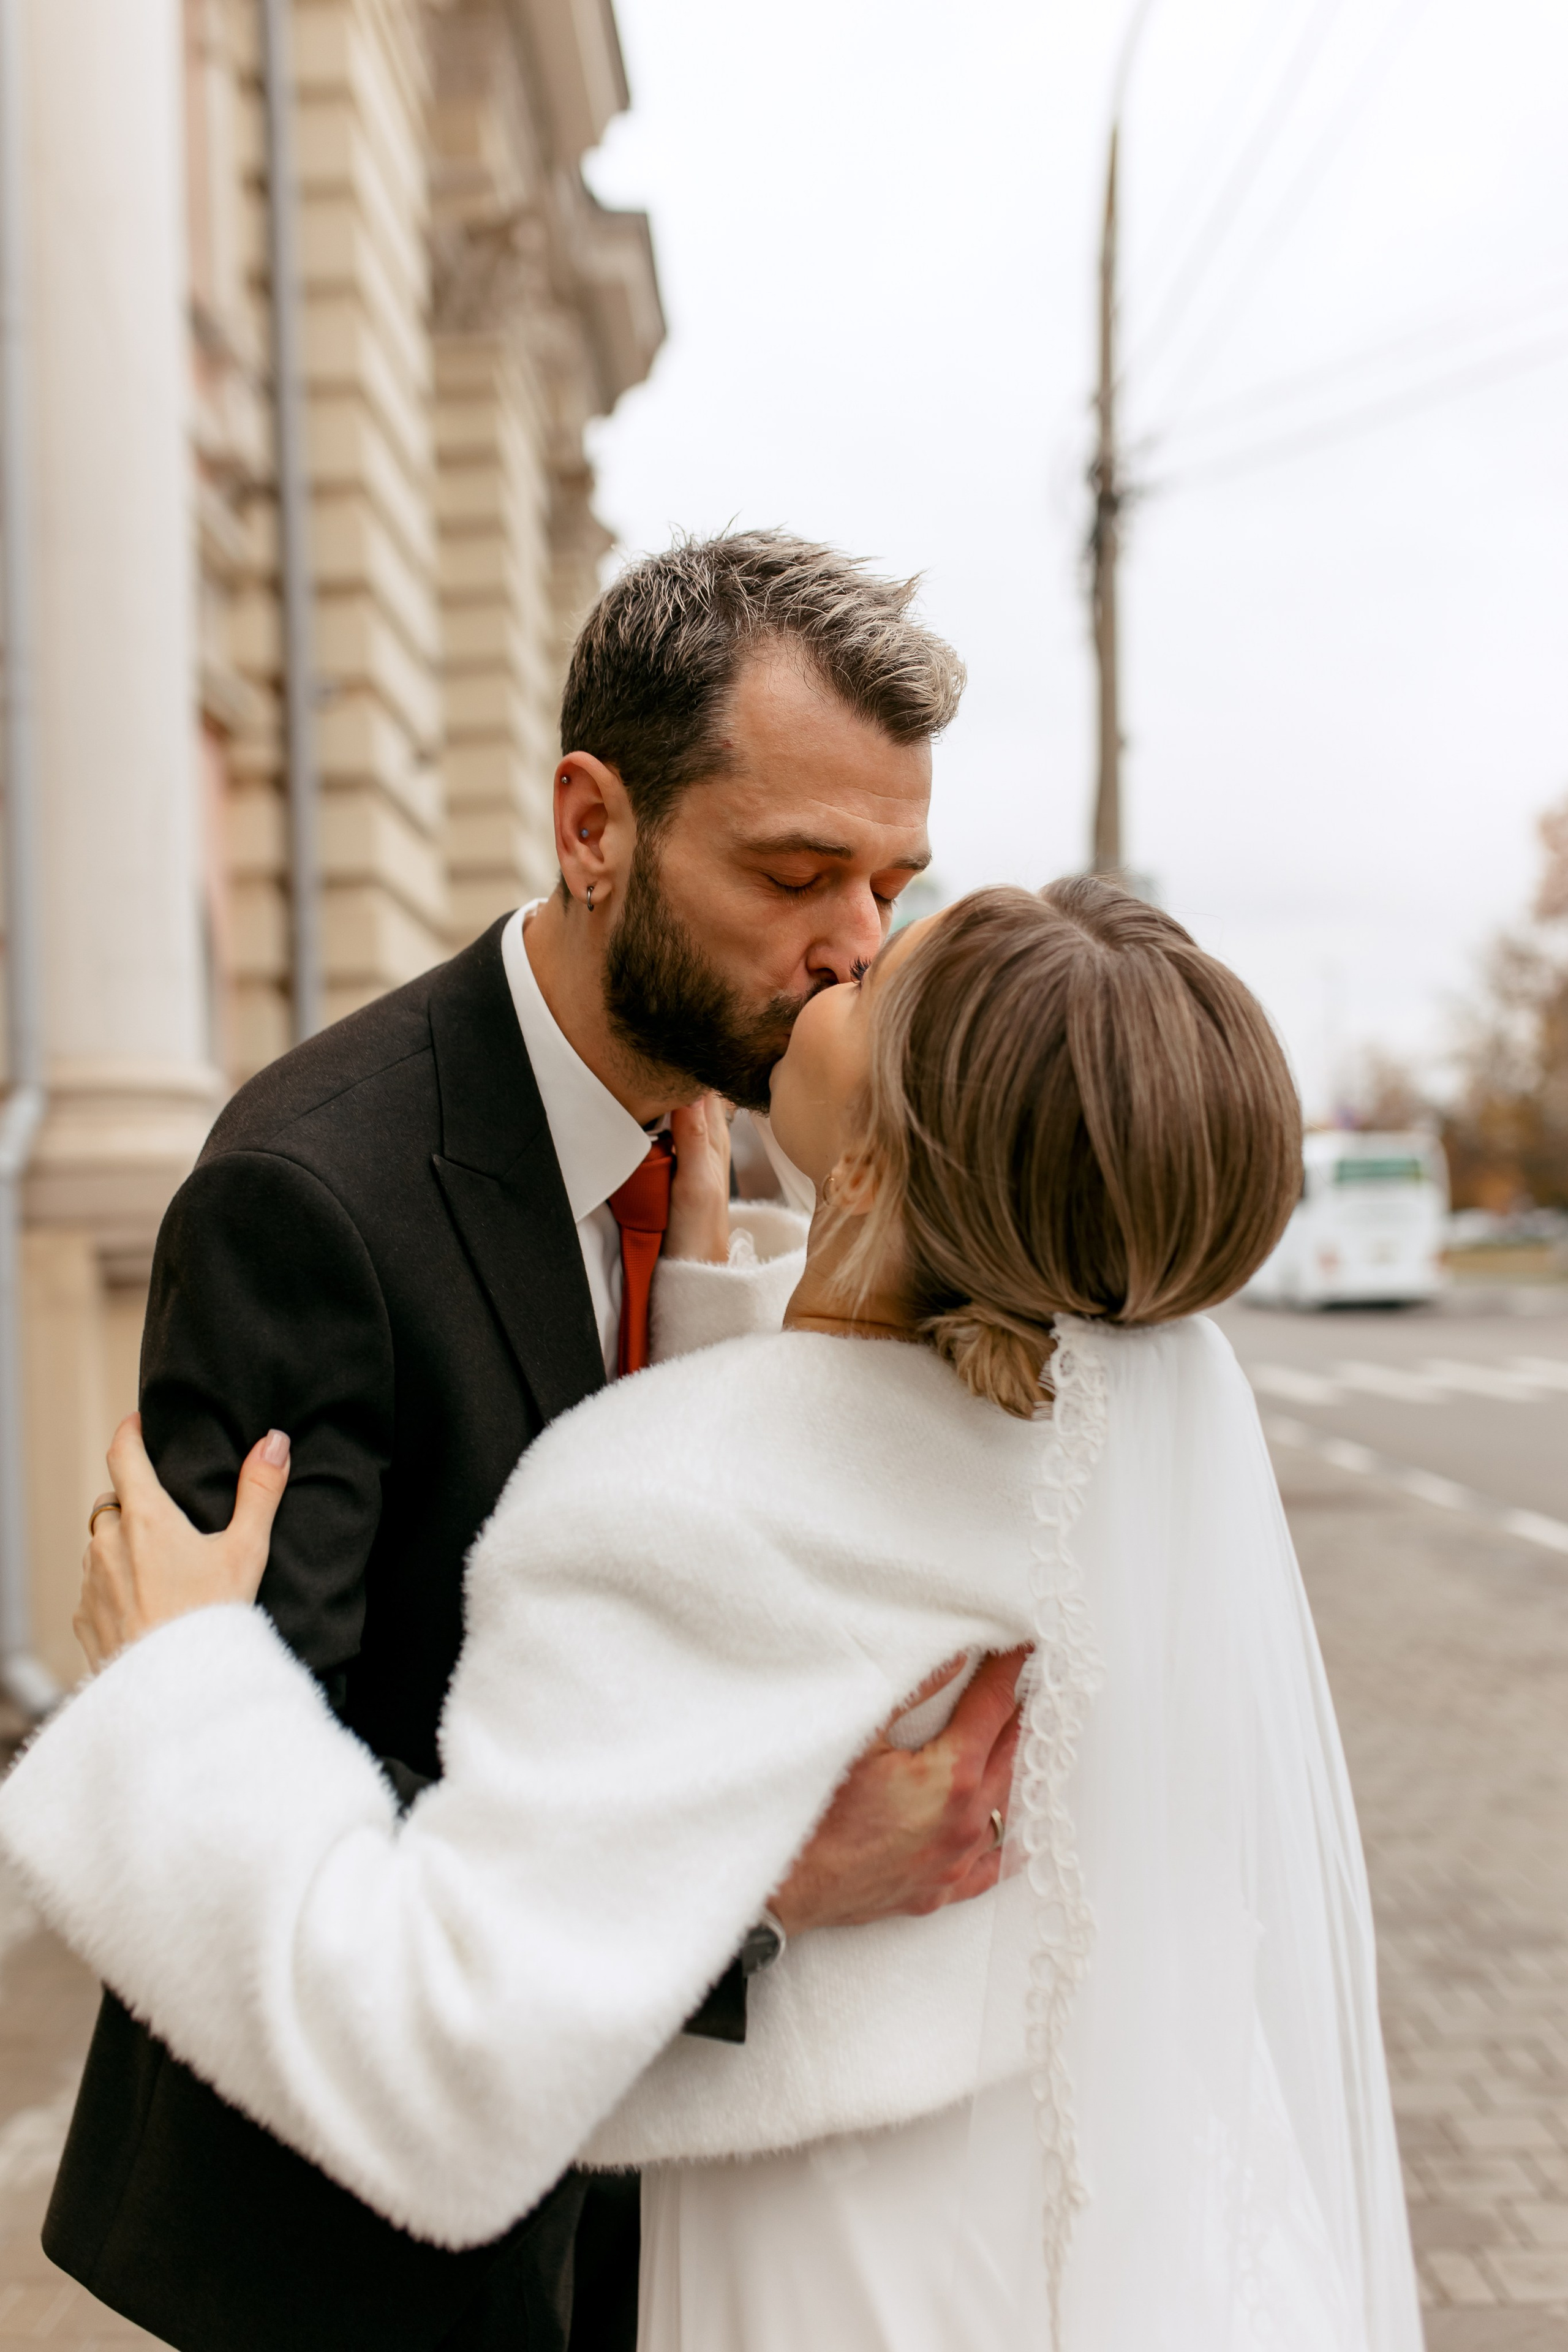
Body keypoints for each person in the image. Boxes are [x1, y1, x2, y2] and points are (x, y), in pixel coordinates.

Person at [2, 880, 1423, 2352]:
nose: (848, 952)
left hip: (833, 2287)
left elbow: (436, 2051)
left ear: (868, 1171)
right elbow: (865, 1506)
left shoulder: (659, 1507)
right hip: (1108, 2238)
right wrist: (720, 1317)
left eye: (879, 987)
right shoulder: (1125, 1459)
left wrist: (183, 1695)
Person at [34, 532, 1024, 2352]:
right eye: (799, 872)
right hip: (356, 2249)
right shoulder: (309, 1198)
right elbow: (256, 1816)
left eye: (894, 879)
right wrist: (771, 1874)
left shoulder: (728, 1164)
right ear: (596, 827)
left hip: (656, 2206)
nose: (857, 946)